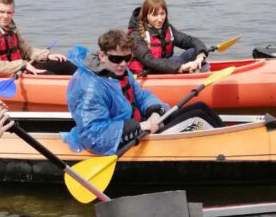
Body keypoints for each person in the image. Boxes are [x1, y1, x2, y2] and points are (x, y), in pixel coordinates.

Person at [63, 30, 224, 156]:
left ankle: (226, 141)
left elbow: (142, 95)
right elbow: (93, 136)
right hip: (123, 140)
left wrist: (155, 111)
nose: (123, 64)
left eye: (127, 58)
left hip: (144, 127)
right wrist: (139, 126)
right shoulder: (91, 87)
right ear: (102, 56)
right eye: (116, 59)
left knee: (200, 108)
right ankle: (223, 149)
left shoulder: (120, 72)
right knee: (196, 118)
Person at [0, 0, 76, 75]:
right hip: (6, 71)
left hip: (20, 66)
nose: (5, 16)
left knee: (64, 63)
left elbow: (27, 50)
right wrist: (23, 64)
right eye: (1, 12)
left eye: (9, 12)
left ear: (13, 12)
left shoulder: (10, 26)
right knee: (47, 75)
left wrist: (47, 55)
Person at [127, 0, 210, 75]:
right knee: (179, 60)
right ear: (146, 16)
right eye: (155, 15)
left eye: (162, 14)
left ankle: (201, 71)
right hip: (148, 70)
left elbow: (191, 40)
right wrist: (181, 67)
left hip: (166, 66)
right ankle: (198, 75)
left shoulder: (167, 28)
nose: (160, 19)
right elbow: (149, 60)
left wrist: (200, 56)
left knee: (194, 51)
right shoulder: (136, 35)